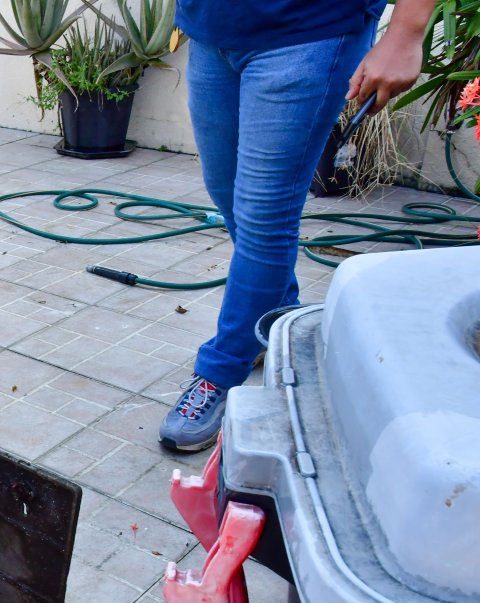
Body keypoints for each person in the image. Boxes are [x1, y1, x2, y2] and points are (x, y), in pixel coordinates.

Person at [159, 0, 433, 451]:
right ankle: (276, 318)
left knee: (265, 214)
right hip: (211, 28)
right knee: (226, 191)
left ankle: (220, 371)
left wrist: (406, 31)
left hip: (308, 30)